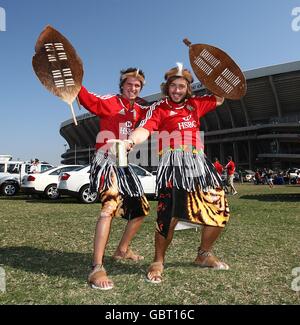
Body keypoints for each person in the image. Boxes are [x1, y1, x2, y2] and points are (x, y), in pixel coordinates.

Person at [126, 63, 230, 284]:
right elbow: (144, 128)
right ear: (167, 87)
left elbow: (220, 97)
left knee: (218, 210)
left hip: (198, 163)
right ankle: (158, 261)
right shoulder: (159, 107)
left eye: (182, 86)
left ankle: (203, 254)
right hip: (172, 163)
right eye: (173, 86)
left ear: (188, 88)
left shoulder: (195, 105)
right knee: (168, 216)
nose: (177, 90)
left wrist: (214, 71)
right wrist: (130, 141)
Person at [77, 68, 150, 290]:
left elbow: (160, 113)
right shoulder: (110, 101)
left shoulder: (140, 108)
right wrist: (73, 82)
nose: (133, 88)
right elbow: (87, 97)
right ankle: (96, 267)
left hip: (124, 163)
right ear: (122, 85)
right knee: (108, 208)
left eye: (137, 85)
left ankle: (122, 250)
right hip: (106, 161)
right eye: (129, 84)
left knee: (139, 211)